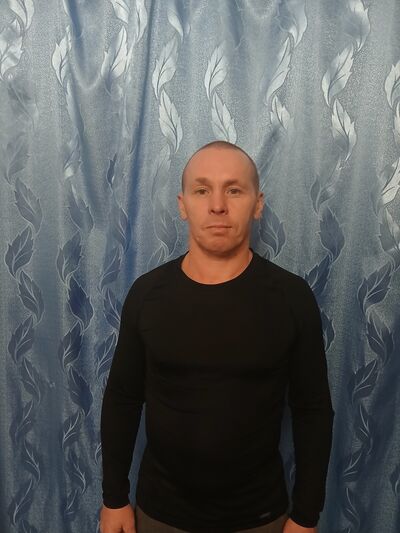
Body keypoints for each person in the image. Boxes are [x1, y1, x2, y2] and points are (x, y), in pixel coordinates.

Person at [99, 141, 334, 533]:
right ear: (183, 205)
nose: (218, 206)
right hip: (160, 514)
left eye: (234, 190)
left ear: (258, 204)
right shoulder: (146, 294)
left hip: (260, 517)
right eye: (202, 190)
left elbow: (313, 409)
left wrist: (306, 516)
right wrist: (114, 499)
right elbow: (123, 399)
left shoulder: (291, 297)